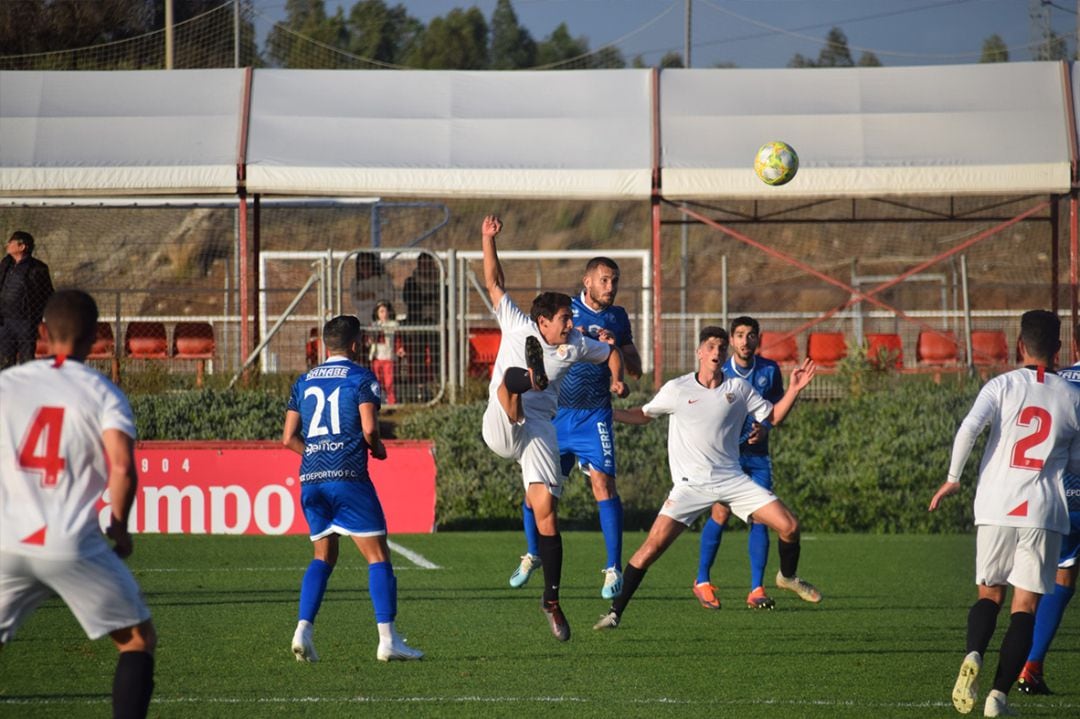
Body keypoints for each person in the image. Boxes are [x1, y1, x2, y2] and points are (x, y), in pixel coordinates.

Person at [594, 326, 820, 632]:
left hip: (732, 479)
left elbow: (774, 417)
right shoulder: (678, 388)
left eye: (721, 348)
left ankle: (787, 577)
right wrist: (611, 414)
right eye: (711, 347)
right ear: (700, 352)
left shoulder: (739, 389)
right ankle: (614, 613)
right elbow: (645, 414)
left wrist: (794, 389)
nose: (716, 352)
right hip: (690, 484)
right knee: (651, 548)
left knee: (790, 527)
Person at [0, 289, 156, 718]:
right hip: (69, 541)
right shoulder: (102, 393)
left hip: (6, 540)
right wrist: (119, 527)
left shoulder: (7, 384)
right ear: (96, 337)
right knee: (136, 639)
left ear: (41, 333)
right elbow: (122, 468)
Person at [479, 215, 627, 642]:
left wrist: (617, 377)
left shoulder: (577, 342)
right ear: (542, 322)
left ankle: (551, 600)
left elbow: (609, 353)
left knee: (547, 513)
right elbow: (494, 282)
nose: (569, 323)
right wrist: (488, 239)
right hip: (502, 419)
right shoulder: (517, 323)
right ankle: (530, 377)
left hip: (541, 427)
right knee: (511, 380)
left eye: (569, 318)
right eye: (563, 318)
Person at [929, 309, 1080, 718]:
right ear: (1059, 349)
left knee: (989, 593)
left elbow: (968, 428)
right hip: (1043, 510)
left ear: (1019, 346)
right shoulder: (1072, 396)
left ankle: (974, 653)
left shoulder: (1002, 384)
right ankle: (998, 696)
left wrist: (953, 476)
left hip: (995, 504)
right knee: (1024, 607)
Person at [282, 314, 423, 663]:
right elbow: (370, 429)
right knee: (377, 556)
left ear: (324, 345)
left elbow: (288, 438)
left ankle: (303, 630)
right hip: (348, 477)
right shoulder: (361, 377)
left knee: (323, 557)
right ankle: (388, 640)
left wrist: (316, 453)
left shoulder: (304, 381)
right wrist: (377, 449)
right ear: (357, 344)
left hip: (310, 479)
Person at [511, 257, 642, 600]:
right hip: (556, 415)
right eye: (603, 280)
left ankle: (613, 567)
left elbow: (637, 367)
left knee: (603, 484)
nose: (610, 287)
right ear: (587, 281)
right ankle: (532, 553)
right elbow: (534, 352)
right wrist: (572, 336)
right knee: (534, 493)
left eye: (614, 280)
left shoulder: (618, 317)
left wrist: (619, 370)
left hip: (594, 415)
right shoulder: (563, 313)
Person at [692, 316, 795, 611]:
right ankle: (702, 579)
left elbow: (775, 411)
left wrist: (766, 428)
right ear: (732, 340)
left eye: (751, 335)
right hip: (727, 458)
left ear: (758, 339)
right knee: (721, 514)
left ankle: (756, 589)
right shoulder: (719, 369)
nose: (745, 341)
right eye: (739, 335)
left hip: (758, 457)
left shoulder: (769, 371)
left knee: (761, 517)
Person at [1015, 329, 1080, 696]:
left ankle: (1031, 665)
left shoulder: (1057, 382)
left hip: (1056, 496)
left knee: (1060, 575)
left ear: (1072, 347)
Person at [0, 230, 54, 369]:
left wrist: (37, 317)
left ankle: (26, 388)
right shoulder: (5, 264)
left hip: (26, 322)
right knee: (5, 359)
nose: (8, 245)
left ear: (22, 246)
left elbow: (47, 294)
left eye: (11, 242)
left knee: (26, 360)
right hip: (4, 322)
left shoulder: (38, 268)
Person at [402, 252, 442, 398]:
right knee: (418, 357)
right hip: (417, 323)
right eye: (423, 264)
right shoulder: (411, 281)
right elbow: (410, 299)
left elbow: (445, 299)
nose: (426, 267)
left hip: (436, 323)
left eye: (428, 263)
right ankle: (420, 388)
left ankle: (437, 386)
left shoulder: (440, 280)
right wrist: (429, 298)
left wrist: (428, 298)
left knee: (436, 356)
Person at [367, 300, 405, 405]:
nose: (383, 314)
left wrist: (399, 348)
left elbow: (398, 339)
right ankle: (377, 402)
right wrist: (369, 340)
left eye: (384, 311)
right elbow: (369, 340)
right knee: (377, 381)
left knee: (389, 382)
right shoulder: (374, 325)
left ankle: (391, 401)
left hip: (388, 357)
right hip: (377, 357)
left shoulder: (393, 325)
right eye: (380, 312)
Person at [351, 251, 396, 330]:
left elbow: (390, 297)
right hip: (363, 322)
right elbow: (356, 303)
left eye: (368, 264)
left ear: (373, 264)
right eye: (362, 264)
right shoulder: (355, 282)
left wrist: (371, 295)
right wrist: (378, 299)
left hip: (383, 323)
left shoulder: (384, 279)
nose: (365, 267)